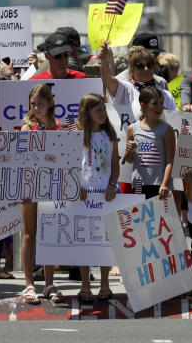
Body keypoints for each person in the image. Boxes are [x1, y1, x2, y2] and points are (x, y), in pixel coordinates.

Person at [19, 84, 66, 305]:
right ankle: (29, 283)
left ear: (50, 103)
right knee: (29, 233)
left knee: (50, 233)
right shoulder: (27, 127)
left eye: (40, 103)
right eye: (33, 104)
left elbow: (67, 157)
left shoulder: (59, 125)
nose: (36, 107)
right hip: (31, 184)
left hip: (54, 185)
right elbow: (20, 159)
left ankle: (49, 283)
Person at [75, 93, 120, 303]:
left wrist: (112, 185)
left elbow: (114, 164)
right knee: (84, 241)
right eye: (98, 110)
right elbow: (72, 164)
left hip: (105, 194)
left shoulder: (109, 134)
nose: (102, 113)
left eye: (103, 109)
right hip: (84, 195)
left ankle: (104, 284)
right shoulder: (78, 135)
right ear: (87, 113)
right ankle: (85, 284)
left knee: (104, 241)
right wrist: (77, 186)